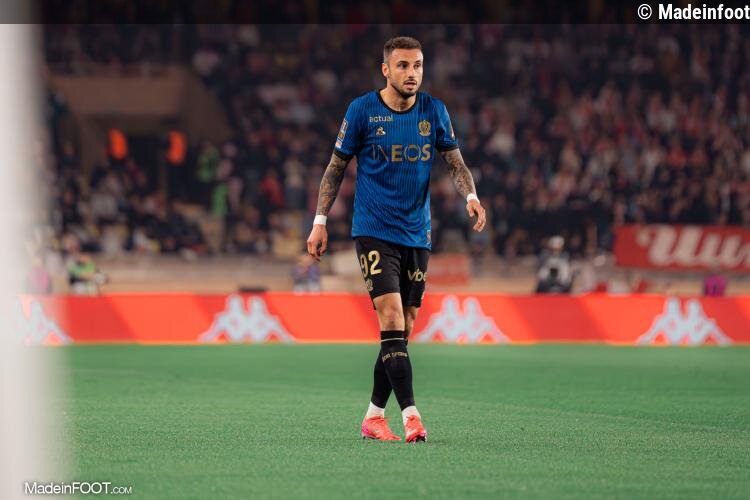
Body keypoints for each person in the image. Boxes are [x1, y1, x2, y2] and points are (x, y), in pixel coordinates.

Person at [306, 36, 486, 443]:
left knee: (402, 329)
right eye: (403, 66)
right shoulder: (362, 110)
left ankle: (373, 416)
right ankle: (411, 417)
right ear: (386, 70)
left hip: (417, 233)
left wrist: (471, 197)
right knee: (390, 318)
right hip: (373, 230)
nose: (411, 73)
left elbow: (455, 163)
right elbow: (335, 168)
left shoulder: (434, 111)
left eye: (417, 65)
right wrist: (319, 221)